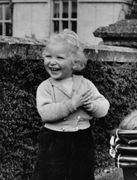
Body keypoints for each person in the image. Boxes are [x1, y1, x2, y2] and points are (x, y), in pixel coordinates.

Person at [32, 29, 110, 180]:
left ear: (75, 62)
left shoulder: (85, 84)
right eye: (48, 56)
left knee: (82, 174)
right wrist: (71, 104)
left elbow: (103, 107)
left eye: (59, 57)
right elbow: (45, 113)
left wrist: (90, 106)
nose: (52, 62)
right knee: (50, 175)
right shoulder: (46, 87)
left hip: (82, 139)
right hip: (54, 141)